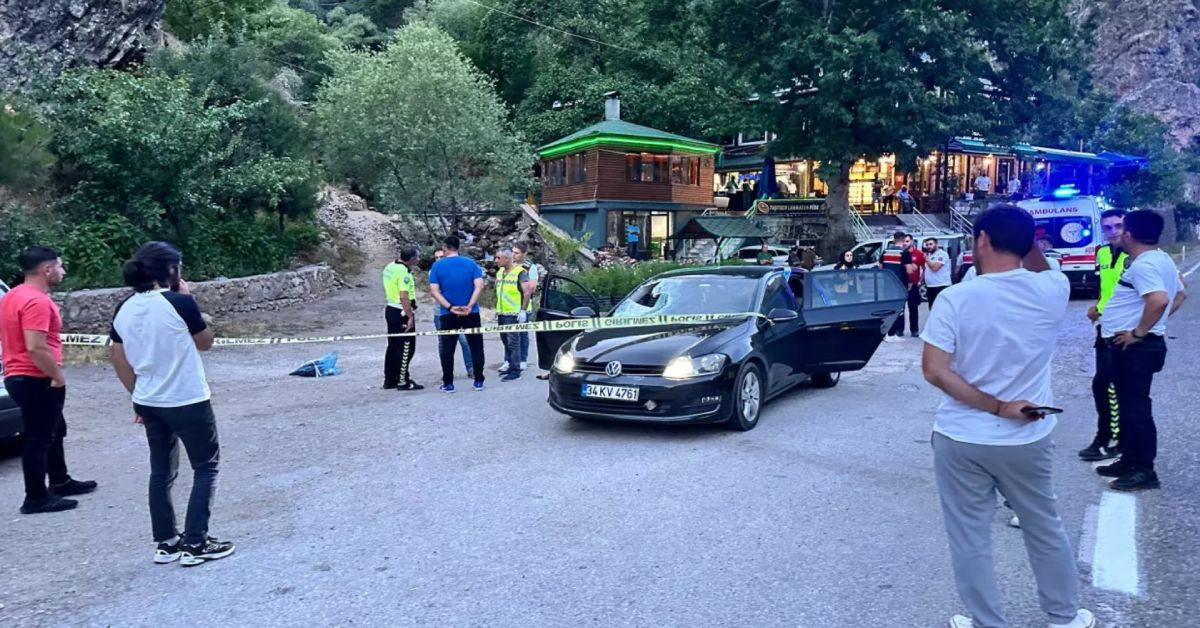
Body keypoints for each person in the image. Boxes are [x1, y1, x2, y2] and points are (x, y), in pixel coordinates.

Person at [920, 205, 1094, 628]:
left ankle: (987, 622)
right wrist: (1027, 242)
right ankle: (1064, 616)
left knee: (970, 537)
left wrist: (996, 407)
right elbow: (1040, 265)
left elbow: (935, 370)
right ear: (1030, 244)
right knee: (1043, 526)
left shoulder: (956, 298)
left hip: (961, 435)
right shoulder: (1053, 289)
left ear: (980, 240)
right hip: (1027, 437)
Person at [109, 242, 235, 567]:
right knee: (206, 466)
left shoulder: (124, 308)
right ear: (171, 270)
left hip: (149, 400)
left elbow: (118, 357)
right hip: (187, 397)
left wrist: (137, 396)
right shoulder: (179, 303)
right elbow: (205, 343)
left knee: (161, 471)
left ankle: (166, 541)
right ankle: (196, 541)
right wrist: (189, 298)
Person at [1094, 210, 1188, 491]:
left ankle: (1144, 469)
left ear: (1128, 235)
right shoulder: (1160, 260)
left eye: (1122, 229)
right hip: (1139, 346)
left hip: (1135, 349)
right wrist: (1153, 325)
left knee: (1136, 410)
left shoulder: (1145, 265)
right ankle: (1130, 459)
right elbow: (1181, 292)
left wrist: (1139, 332)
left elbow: (1158, 300)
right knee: (1128, 406)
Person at [0, 247, 97, 514]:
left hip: (18, 374)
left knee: (54, 429)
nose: (62, 271)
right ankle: (36, 497)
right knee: (38, 437)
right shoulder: (37, 301)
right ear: (46, 269)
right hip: (35, 376)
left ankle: (59, 480)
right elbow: (35, 346)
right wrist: (56, 374)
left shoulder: (12, 295)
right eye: (60, 266)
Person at [1079, 209, 1128, 462]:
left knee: (1110, 385)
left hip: (1125, 331)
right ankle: (1109, 436)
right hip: (1104, 327)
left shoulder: (1136, 257)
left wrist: (1145, 329)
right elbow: (1105, 288)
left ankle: (1111, 438)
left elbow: (1173, 293)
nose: (1113, 232)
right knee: (1102, 385)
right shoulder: (1103, 253)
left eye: (1118, 226)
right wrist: (1097, 307)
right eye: (1107, 227)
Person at [429, 236, 486, 393]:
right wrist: (469, 305)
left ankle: (448, 383)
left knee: (447, 348)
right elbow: (479, 286)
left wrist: (450, 307)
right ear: (458, 247)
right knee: (476, 346)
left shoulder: (437, 266)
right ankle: (479, 380)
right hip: (471, 312)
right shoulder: (471, 263)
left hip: (448, 313)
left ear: (445, 248)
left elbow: (434, 291)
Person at [382, 246, 423, 391]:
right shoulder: (403, 273)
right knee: (406, 347)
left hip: (391, 308)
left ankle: (389, 379)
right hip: (401, 312)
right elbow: (404, 296)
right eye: (417, 257)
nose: (418, 260)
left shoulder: (390, 266)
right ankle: (402, 380)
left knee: (392, 346)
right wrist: (410, 316)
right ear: (411, 259)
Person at [431, 249, 473, 376]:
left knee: (465, 340)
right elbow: (435, 292)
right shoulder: (434, 271)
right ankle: (447, 372)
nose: (439, 259)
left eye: (441, 257)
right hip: (441, 312)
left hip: (460, 310)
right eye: (436, 257)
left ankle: (471, 368)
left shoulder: (456, 270)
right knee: (444, 343)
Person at [493, 249, 530, 382]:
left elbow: (527, 292)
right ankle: (510, 365)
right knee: (505, 341)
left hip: (513, 313)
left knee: (513, 342)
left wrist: (523, 311)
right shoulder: (500, 272)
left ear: (507, 259)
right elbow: (499, 292)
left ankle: (516, 370)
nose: (496, 261)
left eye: (498, 258)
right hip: (503, 312)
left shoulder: (520, 272)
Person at [510, 242, 539, 372]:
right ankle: (509, 359)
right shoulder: (509, 266)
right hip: (509, 306)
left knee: (522, 334)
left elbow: (531, 287)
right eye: (512, 252)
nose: (513, 255)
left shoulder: (529, 268)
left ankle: (523, 359)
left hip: (523, 305)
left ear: (524, 254)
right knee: (509, 335)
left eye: (516, 253)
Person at [881, 231, 913, 342]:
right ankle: (892, 334)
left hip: (887, 284)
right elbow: (909, 270)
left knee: (889, 309)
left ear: (894, 239)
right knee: (899, 309)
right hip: (899, 284)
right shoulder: (904, 253)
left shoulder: (885, 252)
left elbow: (880, 266)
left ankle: (887, 333)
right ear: (903, 240)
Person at [904, 234, 925, 336]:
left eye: (907, 241)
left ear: (912, 241)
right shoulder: (901, 253)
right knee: (901, 309)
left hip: (913, 285)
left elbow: (924, 267)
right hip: (902, 284)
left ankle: (914, 330)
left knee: (913, 309)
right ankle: (899, 330)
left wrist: (920, 280)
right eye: (904, 241)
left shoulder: (919, 253)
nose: (905, 243)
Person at [923, 238, 952, 307]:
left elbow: (935, 268)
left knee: (941, 308)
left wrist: (927, 260)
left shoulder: (942, 254)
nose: (928, 246)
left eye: (931, 244)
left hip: (941, 285)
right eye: (927, 245)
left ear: (936, 244)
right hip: (930, 286)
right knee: (932, 308)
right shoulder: (929, 255)